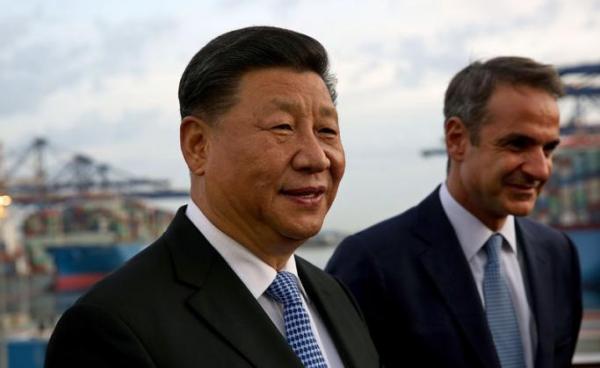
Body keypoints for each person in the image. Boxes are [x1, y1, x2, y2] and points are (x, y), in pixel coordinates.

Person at [45, 26, 380, 368]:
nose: (316, 157)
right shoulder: (112, 326)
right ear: (198, 146)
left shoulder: (335, 296)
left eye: (327, 131)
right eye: (282, 127)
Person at [327, 56, 582, 368]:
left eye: (548, 149)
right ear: (456, 139)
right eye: (517, 144)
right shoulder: (370, 263)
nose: (540, 169)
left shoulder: (557, 254)